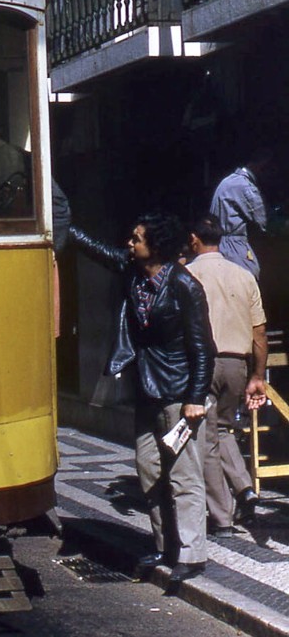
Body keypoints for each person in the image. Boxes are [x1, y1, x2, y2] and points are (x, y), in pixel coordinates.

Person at [72, 213, 215, 587]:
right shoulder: (134, 272)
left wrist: (195, 398)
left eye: (137, 238)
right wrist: (62, 223)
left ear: (157, 246)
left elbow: (204, 348)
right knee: (149, 468)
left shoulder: (184, 286)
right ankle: (167, 547)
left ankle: (192, 555)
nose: (130, 243)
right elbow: (99, 251)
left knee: (183, 475)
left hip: (178, 392)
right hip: (147, 389)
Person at [186, 215, 267, 533]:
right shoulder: (244, 276)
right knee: (223, 429)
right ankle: (245, 488)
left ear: (194, 239)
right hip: (237, 364)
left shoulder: (187, 274)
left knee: (205, 439)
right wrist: (257, 375)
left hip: (202, 364)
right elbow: (259, 333)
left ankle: (221, 517)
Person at [209, 150, 273, 278]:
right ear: (257, 164)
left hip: (219, 244)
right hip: (234, 247)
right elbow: (263, 221)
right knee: (248, 277)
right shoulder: (245, 186)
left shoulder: (228, 181)